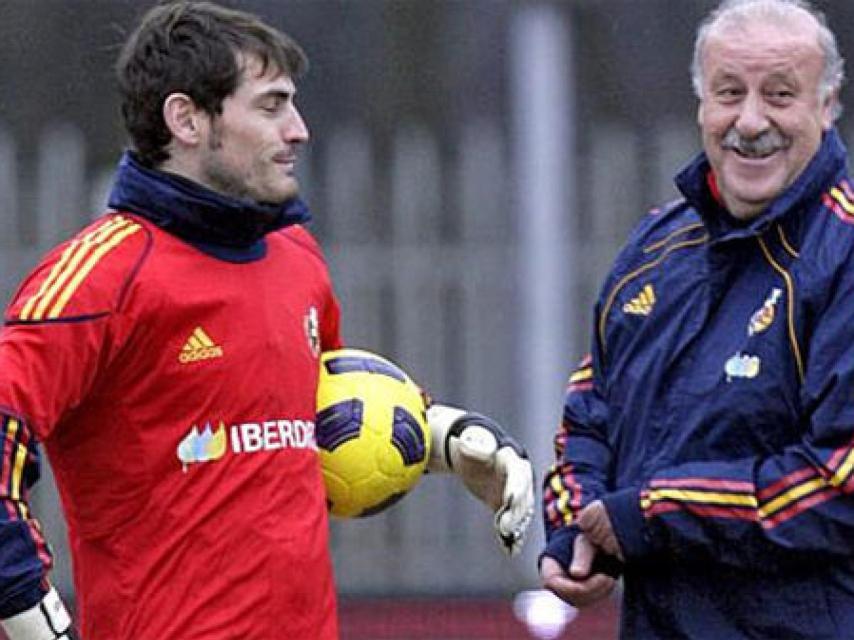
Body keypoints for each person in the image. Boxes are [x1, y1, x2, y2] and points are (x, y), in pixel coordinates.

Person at [0, 2, 535, 638]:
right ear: (187, 119)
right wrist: (30, 613)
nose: (299, 129)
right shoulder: (98, 278)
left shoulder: (296, 256)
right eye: (272, 104)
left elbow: (314, 411)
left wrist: (445, 438)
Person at [539, 0, 854, 637]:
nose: (751, 120)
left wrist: (651, 515)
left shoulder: (843, 254)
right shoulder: (657, 244)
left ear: (828, 105)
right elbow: (590, 408)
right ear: (702, 105)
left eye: (781, 95)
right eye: (729, 93)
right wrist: (578, 523)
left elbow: (841, 482)